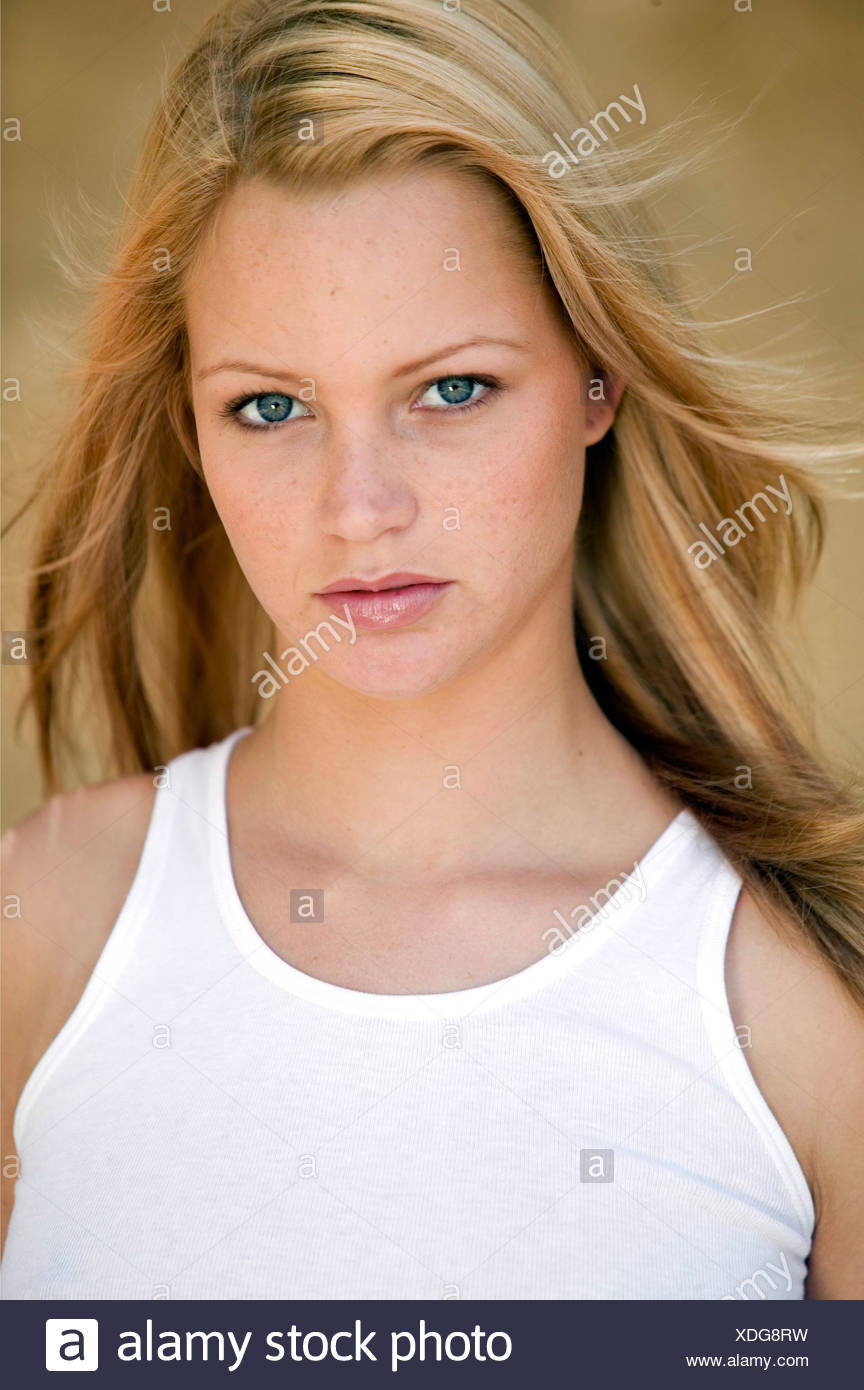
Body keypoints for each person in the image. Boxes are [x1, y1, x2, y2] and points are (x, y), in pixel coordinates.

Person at [2, 0, 862, 1301]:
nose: (362, 506)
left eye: (452, 389)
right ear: (189, 429)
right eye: (271, 406)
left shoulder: (809, 1019)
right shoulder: (43, 930)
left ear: (598, 377)